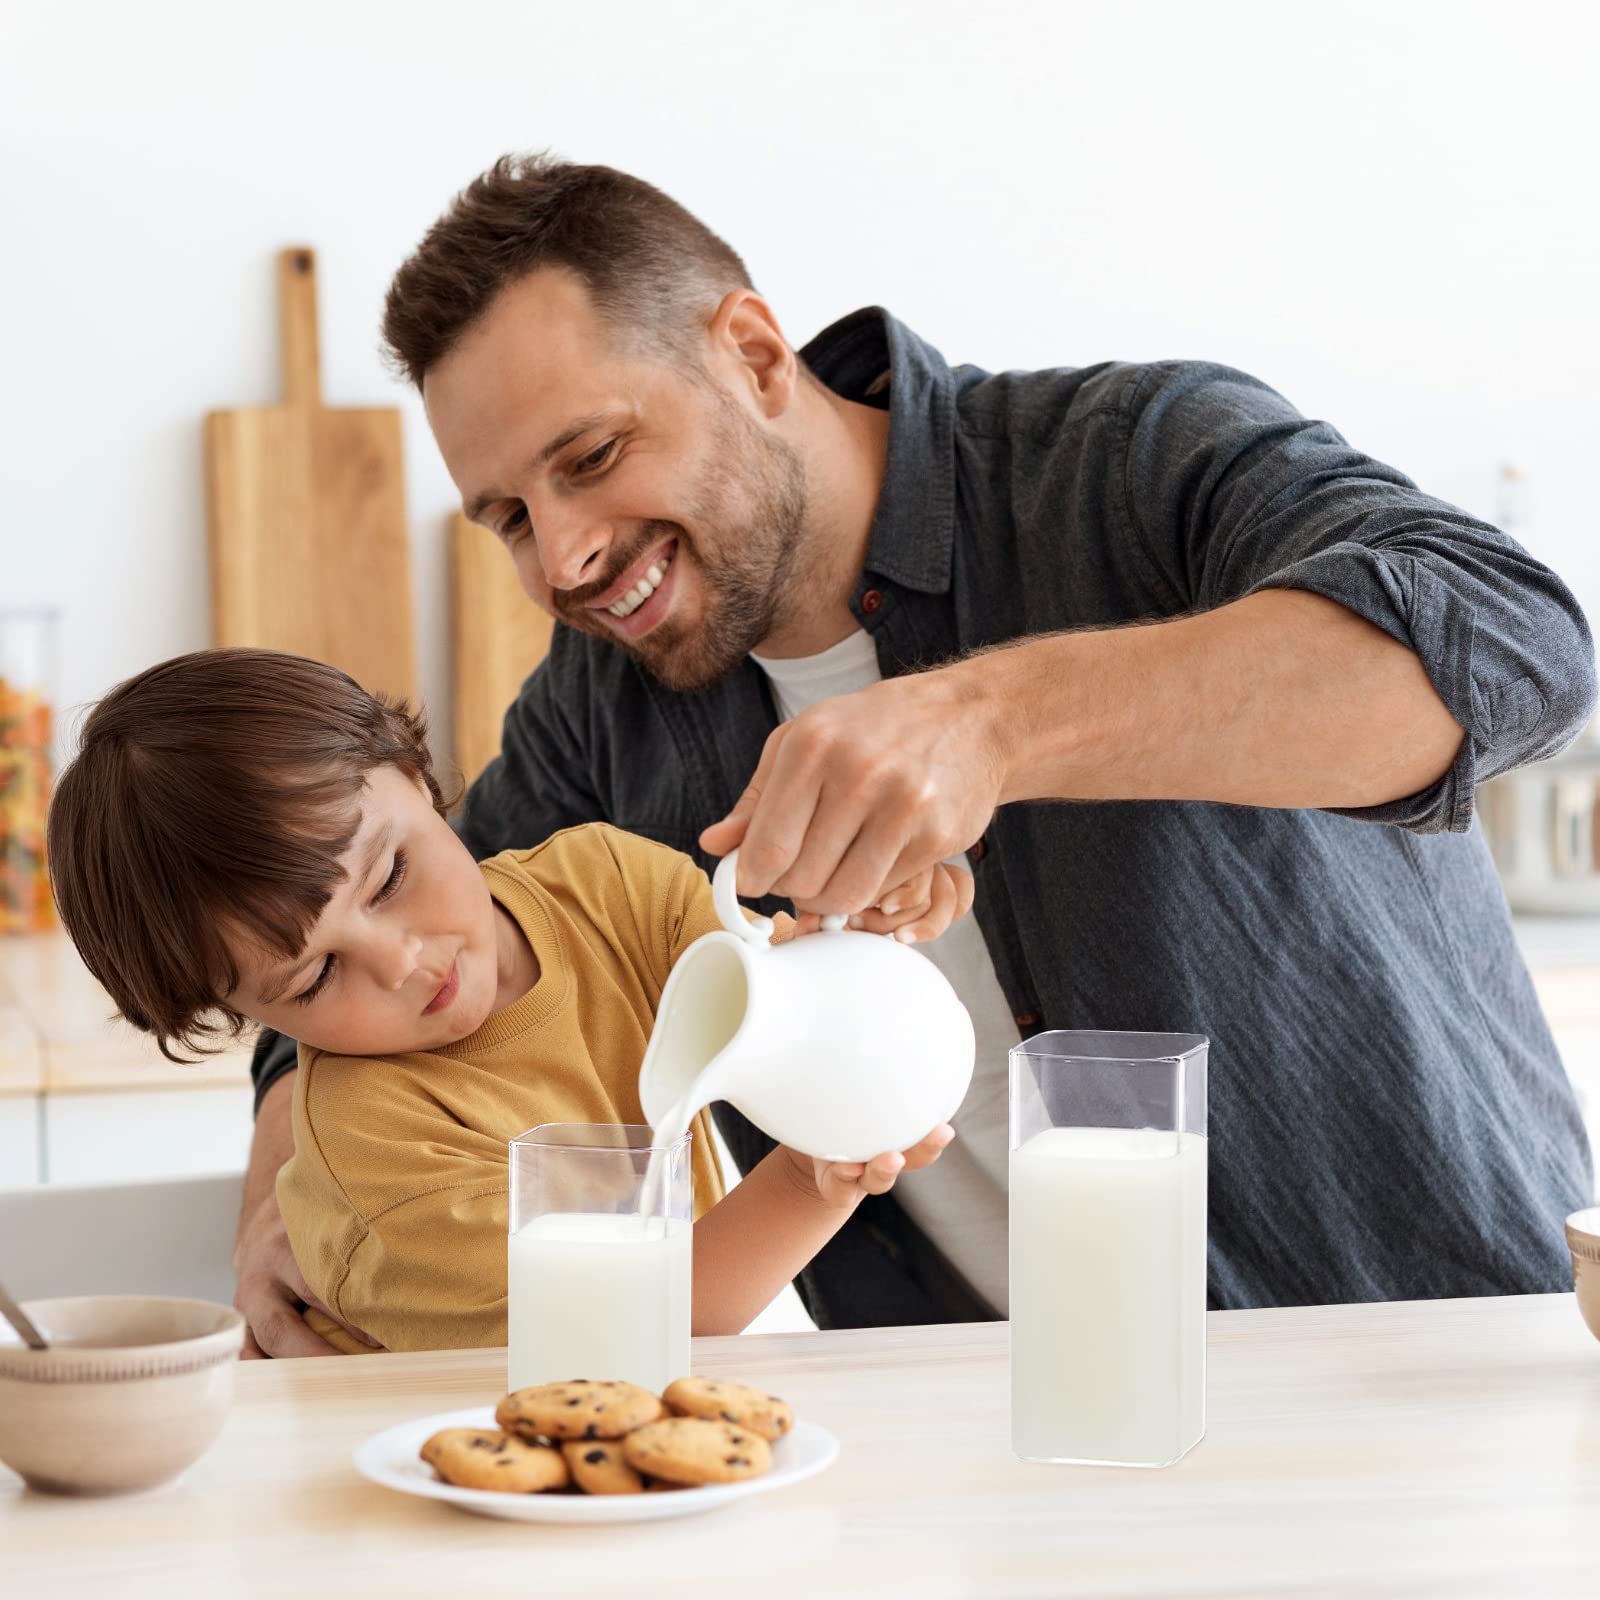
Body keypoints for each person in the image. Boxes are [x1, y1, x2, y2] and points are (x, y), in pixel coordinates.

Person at [240, 153, 1597, 1355]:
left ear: (756, 355)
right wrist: (273, 1199)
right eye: (509, 519)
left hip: (1436, 1367)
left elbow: (1515, 645)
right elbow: (365, 959)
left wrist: (992, 723)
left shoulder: (1126, 463)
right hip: (993, 1460)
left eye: (591, 456)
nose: (566, 557)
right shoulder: (602, 711)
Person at [46, 648, 954, 1353]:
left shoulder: (607, 884)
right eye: (316, 978)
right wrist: (810, 1176)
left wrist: (857, 920)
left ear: (414, 771)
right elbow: (644, 1325)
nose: (401, 962)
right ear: (250, 1017)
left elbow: (781, 1001)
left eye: (391, 874)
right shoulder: (378, 1145)